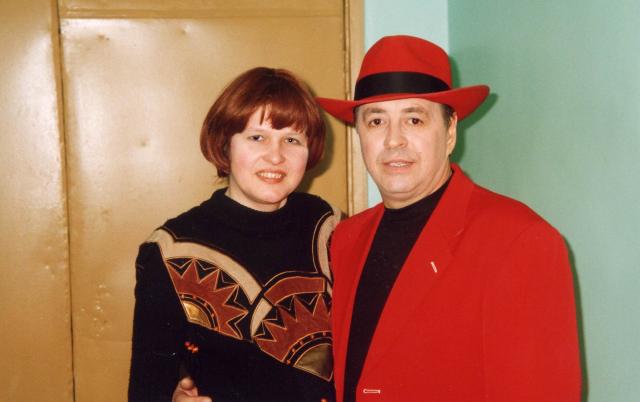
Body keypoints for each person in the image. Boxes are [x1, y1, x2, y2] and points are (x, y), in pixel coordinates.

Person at [316, 35, 582, 401]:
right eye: (376, 121)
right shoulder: (346, 238)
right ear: (359, 133)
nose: (394, 140)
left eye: (414, 119)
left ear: (450, 131)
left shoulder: (520, 240)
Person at [128, 67, 340, 402]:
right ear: (225, 145)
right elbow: (147, 389)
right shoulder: (171, 250)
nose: (276, 156)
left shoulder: (329, 225)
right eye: (257, 137)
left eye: (292, 140)